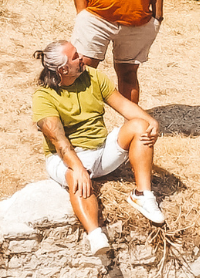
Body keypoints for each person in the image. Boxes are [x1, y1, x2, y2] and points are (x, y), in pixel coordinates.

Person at [33, 39, 165, 255]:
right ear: (63, 69)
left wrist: (151, 122)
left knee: (140, 126)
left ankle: (143, 195)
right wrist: (77, 168)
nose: (82, 57)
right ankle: (95, 234)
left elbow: (123, 105)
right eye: (75, 56)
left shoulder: (93, 77)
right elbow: (59, 142)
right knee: (75, 177)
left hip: (101, 151)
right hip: (66, 157)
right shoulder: (43, 97)